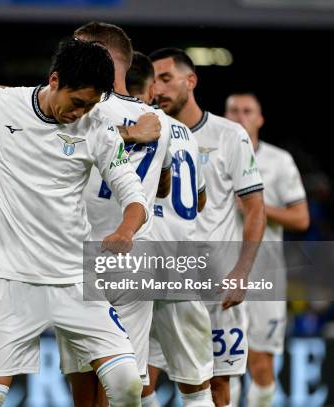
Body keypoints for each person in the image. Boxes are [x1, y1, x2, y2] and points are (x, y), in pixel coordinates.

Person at [0, 37, 149, 407]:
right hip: (11, 281)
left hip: (75, 278)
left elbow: (134, 195)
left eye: (90, 105)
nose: (80, 113)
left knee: (128, 385)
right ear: (54, 81)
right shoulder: (2, 105)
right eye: (77, 102)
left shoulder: (98, 128)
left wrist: (124, 230)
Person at [54, 23, 172, 407]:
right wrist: (134, 136)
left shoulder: (81, 108)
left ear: (98, 56)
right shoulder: (161, 122)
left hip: (79, 252)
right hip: (134, 254)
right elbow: (165, 187)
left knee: (85, 388)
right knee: (123, 384)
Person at [150, 47, 266, 407]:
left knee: (216, 388)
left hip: (216, 283)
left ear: (191, 80)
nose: (158, 89)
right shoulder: (147, 131)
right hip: (160, 276)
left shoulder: (230, 135)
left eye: (166, 79)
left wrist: (242, 271)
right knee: (138, 383)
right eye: (153, 81)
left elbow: (255, 208)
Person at [127, 51, 214, 407]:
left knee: (126, 377)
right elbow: (200, 199)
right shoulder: (183, 132)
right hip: (182, 260)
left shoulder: (110, 123)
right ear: (149, 87)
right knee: (196, 387)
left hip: (134, 256)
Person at [225, 92, 309, 407]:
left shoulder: (278, 161)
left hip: (265, 275)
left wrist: (255, 206)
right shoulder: (207, 156)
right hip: (218, 272)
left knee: (260, 362)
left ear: (259, 119)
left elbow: (301, 218)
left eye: (247, 111)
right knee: (222, 364)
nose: (240, 116)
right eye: (233, 110)